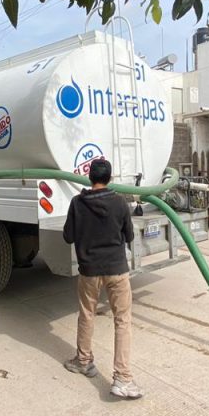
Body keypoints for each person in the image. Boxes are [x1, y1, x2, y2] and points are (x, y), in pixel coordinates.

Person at [61, 158, 143, 400]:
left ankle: (83, 361)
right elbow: (129, 235)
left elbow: (68, 236)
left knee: (87, 314)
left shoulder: (77, 203)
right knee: (122, 321)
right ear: (109, 178)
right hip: (117, 270)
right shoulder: (119, 202)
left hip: (89, 271)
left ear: (90, 178)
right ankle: (123, 379)